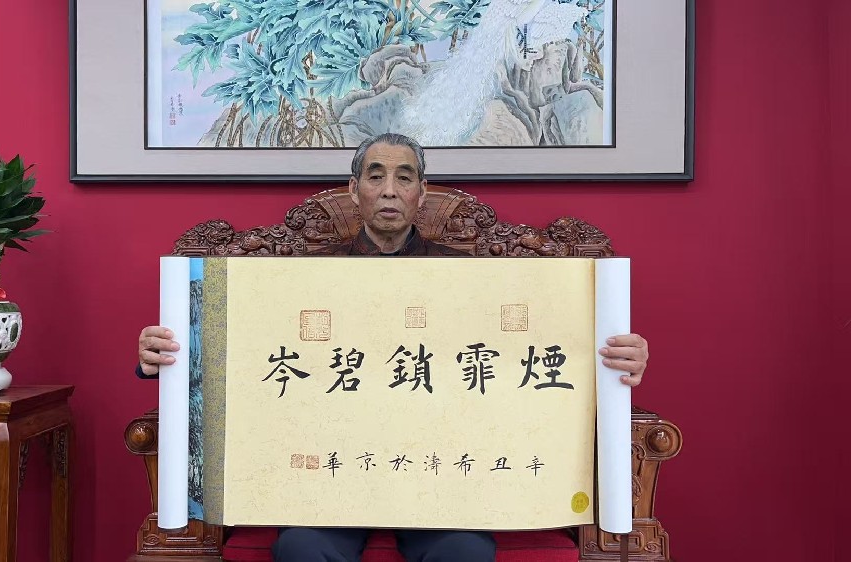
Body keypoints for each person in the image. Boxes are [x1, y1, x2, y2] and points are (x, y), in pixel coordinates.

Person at [136, 133, 650, 562]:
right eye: (375, 176)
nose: (389, 190)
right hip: (332, 471)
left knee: (465, 552)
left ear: (421, 194)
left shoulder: (473, 277)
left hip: (440, 470)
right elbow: (244, 356)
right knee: (300, 548)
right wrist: (159, 359)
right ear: (353, 189)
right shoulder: (301, 278)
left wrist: (618, 361)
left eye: (404, 178)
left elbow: (530, 356)